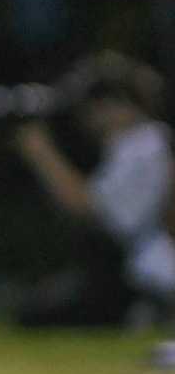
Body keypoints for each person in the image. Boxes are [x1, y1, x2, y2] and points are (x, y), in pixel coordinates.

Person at [10, 54, 174, 330]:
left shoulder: (145, 145)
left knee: (37, 314)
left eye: (99, 105)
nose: (89, 116)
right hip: (130, 265)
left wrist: (41, 152)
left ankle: (146, 308)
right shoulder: (134, 145)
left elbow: (89, 209)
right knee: (37, 307)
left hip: (140, 270)